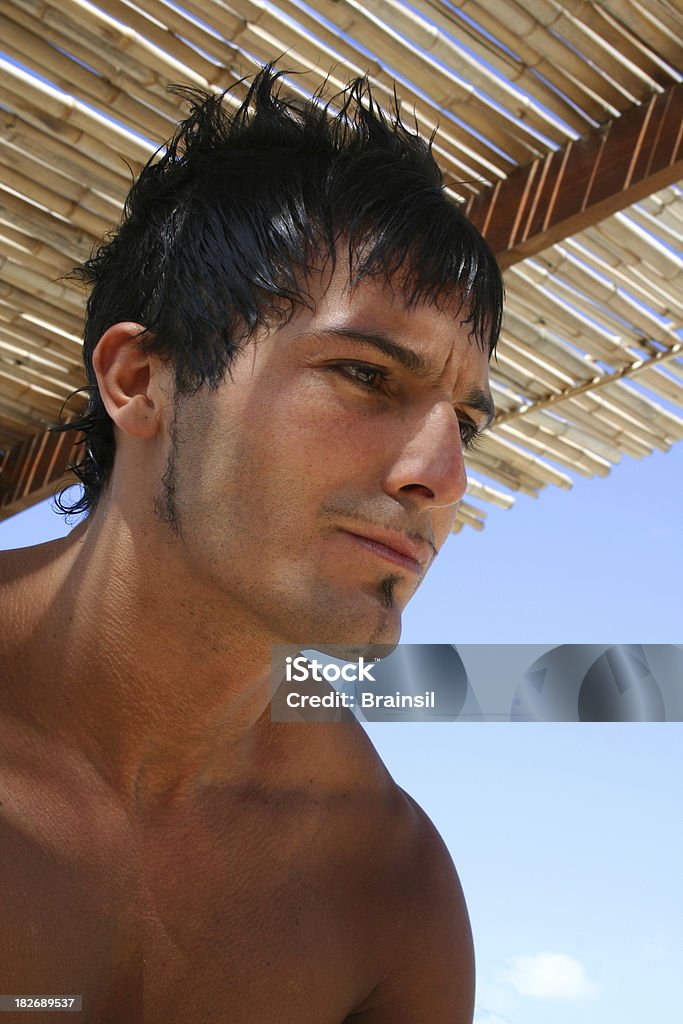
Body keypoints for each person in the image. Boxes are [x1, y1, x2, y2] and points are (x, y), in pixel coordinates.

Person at [0, 64, 502, 1022]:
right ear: (141, 380)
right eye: (363, 373)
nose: (441, 476)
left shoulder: (385, 888)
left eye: (466, 424)